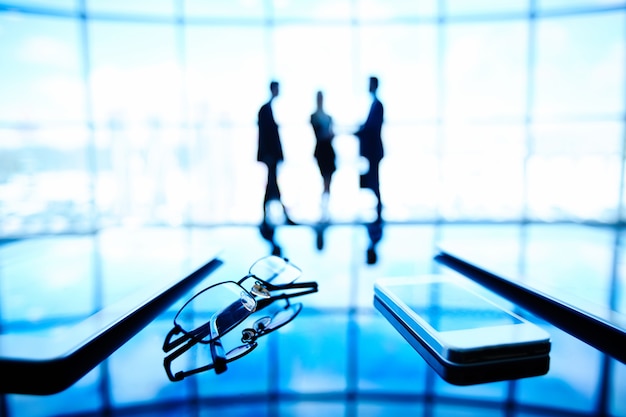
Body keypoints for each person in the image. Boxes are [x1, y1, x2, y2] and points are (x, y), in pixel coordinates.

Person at [354, 76, 384, 264]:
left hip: (373, 150)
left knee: (374, 180)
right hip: (373, 150)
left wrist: (359, 131)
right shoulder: (375, 104)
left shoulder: (377, 104)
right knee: (373, 180)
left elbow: (372, 128)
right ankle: (377, 209)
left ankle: (378, 209)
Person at [257, 80, 294, 225]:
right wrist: (269, 155)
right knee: (272, 184)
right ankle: (279, 215)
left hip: (271, 155)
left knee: (272, 184)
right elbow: (266, 136)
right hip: (270, 155)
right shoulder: (265, 110)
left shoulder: (268, 109)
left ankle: (269, 216)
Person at [310, 91, 336, 205]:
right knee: (324, 177)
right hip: (321, 150)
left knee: (328, 178)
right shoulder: (314, 116)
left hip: (328, 150)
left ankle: (326, 202)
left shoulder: (328, 117)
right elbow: (319, 134)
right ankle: (324, 202)